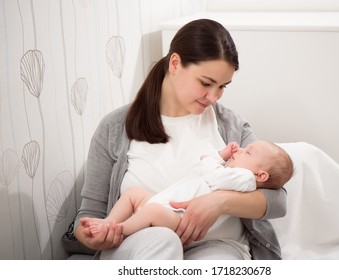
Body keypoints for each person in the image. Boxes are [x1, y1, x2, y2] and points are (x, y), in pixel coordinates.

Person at [73, 18, 288, 260]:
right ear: (175, 63)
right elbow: (88, 217)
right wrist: (97, 234)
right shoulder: (114, 127)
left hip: (217, 246)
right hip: (145, 242)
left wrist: (218, 202)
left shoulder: (230, 126)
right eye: (206, 83)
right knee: (163, 241)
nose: (213, 96)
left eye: (222, 87)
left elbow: (277, 200)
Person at [81, 140, 293, 238]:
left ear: (261, 175)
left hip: (180, 219)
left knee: (152, 211)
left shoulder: (245, 178)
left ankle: (121, 230)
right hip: (167, 203)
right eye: (205, 82)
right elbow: (213, 168)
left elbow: (213, 175)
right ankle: (108, 223)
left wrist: (215, 159)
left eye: (248, 153)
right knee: (133, 194)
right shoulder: (238, 171)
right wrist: (221, 155)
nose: (242, 149)